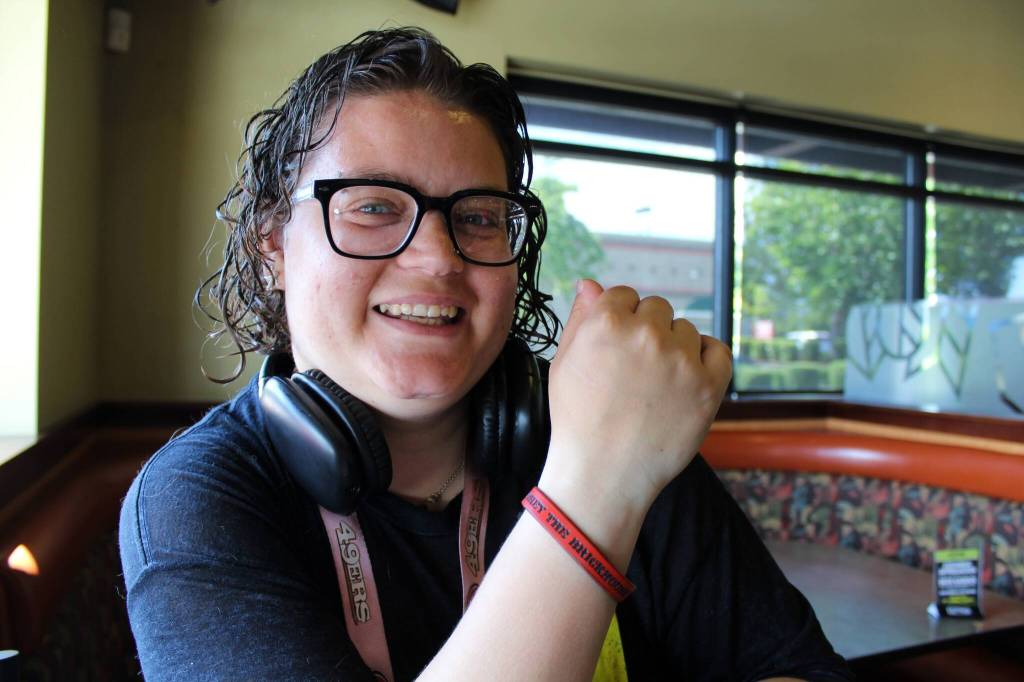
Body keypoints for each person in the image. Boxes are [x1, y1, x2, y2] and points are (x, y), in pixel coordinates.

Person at [119, 27, 853, 681]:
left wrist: (602, 459)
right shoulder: (199, 498)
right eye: (373, 206)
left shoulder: (610, 428)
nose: (438, 258)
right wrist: (591, 492)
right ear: (274, 246)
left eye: (476, 217)